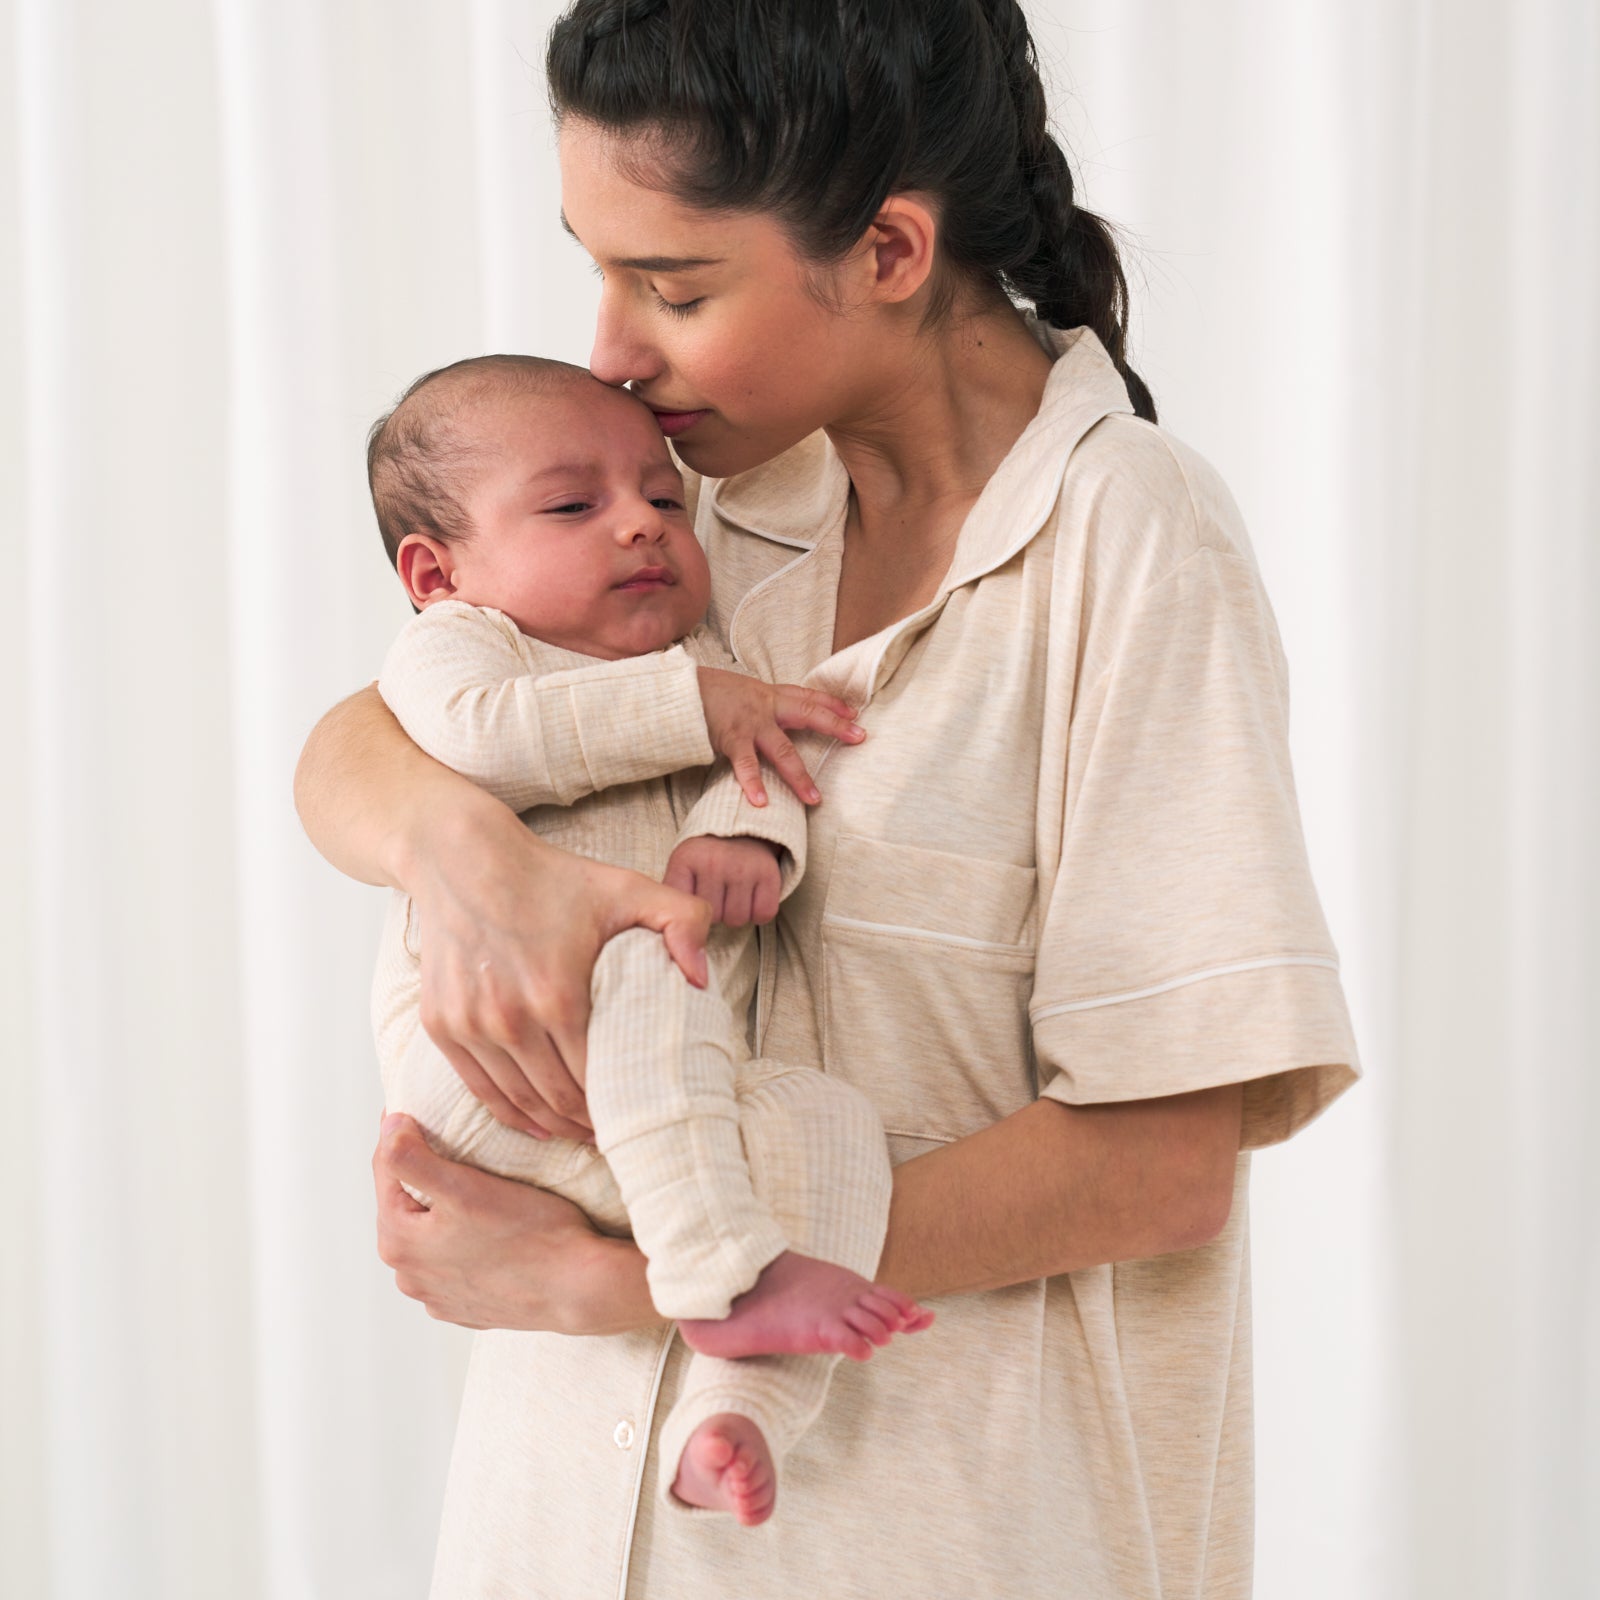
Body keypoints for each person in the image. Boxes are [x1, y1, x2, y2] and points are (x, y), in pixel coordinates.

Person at [295, 0, 1361, 1592]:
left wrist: (629, 1282)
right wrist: (459, 851)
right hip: (556, 1531)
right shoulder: (684, 501)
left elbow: (1166, 1157)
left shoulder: (1128, 547)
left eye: (672, 285)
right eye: (596, 266)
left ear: (888, 251)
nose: (608, 351)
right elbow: (375, 726)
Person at [366, 352, 929, 1526]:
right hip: (494, 1071)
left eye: (665, 498)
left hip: (661, 1096)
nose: (641, 526)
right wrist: (697, 706)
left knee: (825, 1126)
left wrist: (750, 837)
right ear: (437, 569)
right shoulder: (468, 650)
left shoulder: (711, 660)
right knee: (641, 949)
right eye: (575, 506)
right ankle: (713, 1269)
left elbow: (774, 764)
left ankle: (732, 1415)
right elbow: (487, 738)